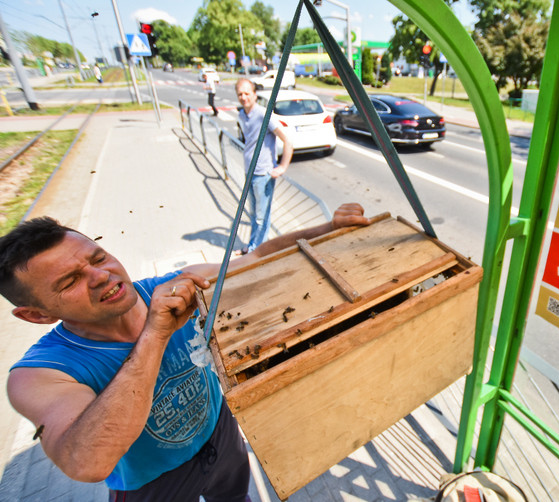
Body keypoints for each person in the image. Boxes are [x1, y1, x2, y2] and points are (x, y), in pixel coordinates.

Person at [0, 203, 370, 501]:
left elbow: (254, 259)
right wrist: (156, 333)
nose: (101, 276)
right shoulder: (40, 373)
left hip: (218, 432)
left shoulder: (170, 286)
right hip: (153, 483)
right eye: (69, 281)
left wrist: (325, 229)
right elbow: (86, 462)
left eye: (98, 259)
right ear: (37, 314)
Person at [235, 77, 294, 253]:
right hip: (249, 171)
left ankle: (258, 251)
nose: (243, 97)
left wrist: (282, 167)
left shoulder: (263, 114)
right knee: (254, 213)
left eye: (247, 93)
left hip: (263, 174)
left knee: (261, 216)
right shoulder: (241, 114)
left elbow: (287, 141)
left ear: (254, 94)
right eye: (240, 94)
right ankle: (254, 247)